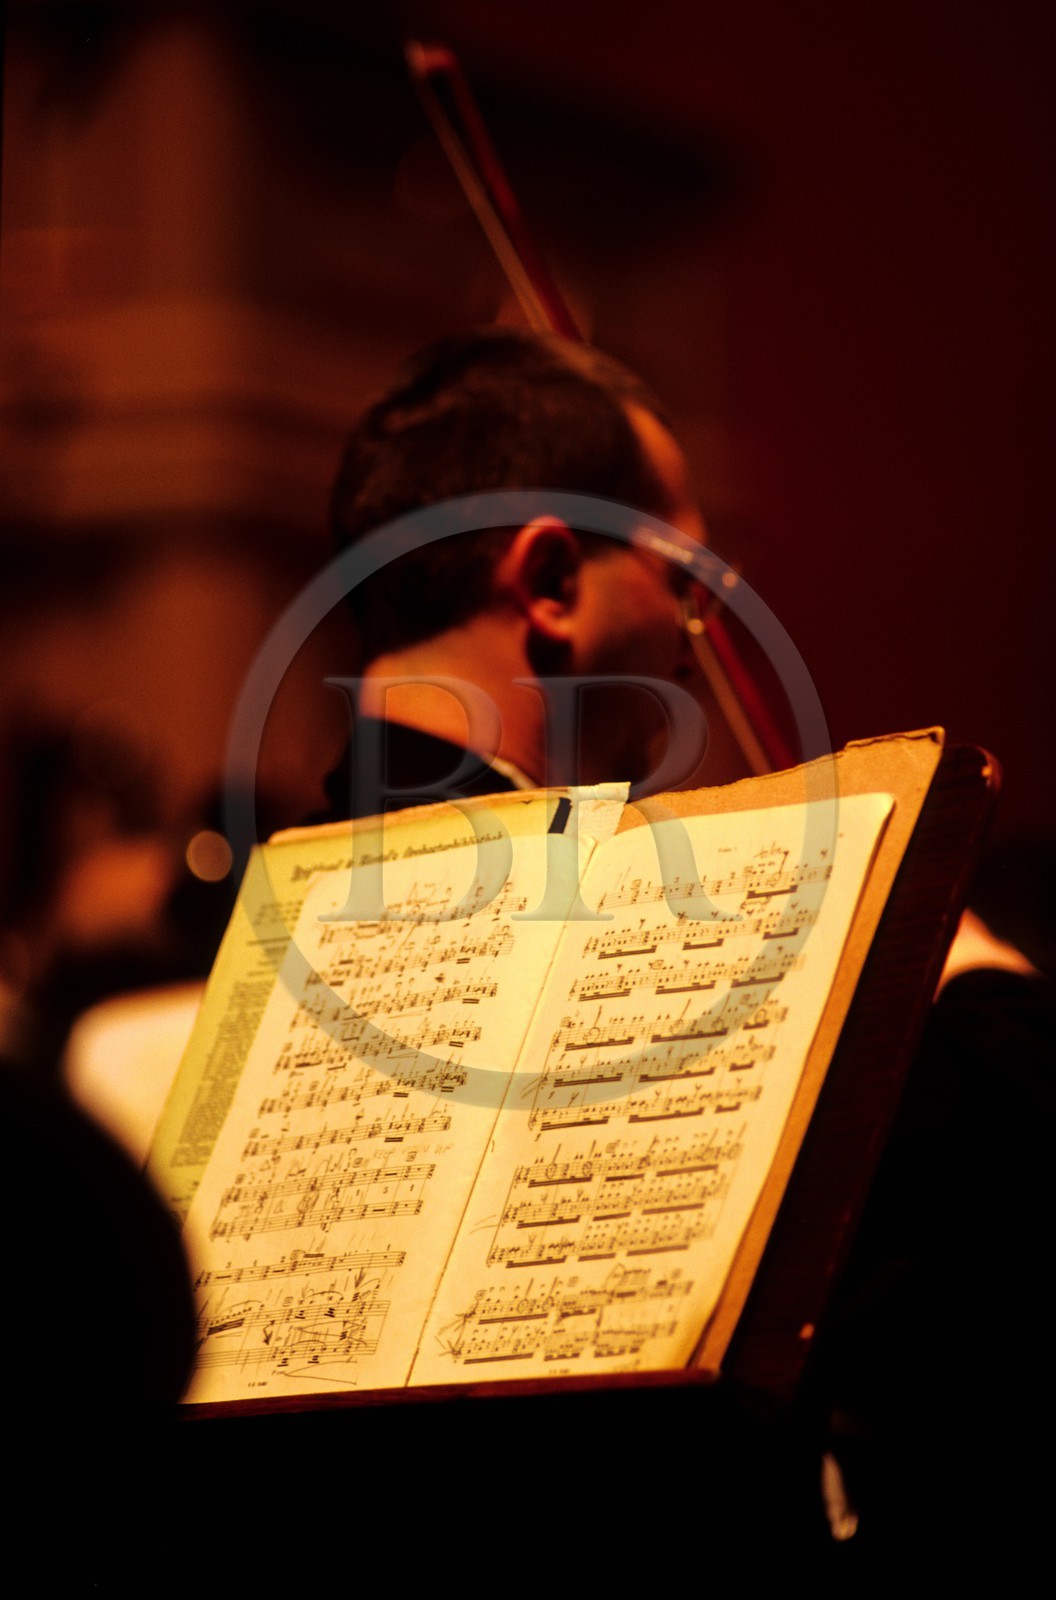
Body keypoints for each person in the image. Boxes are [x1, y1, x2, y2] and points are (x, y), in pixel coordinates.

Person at [321, 326, 1054, 1566]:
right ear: (552, 581)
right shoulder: (633, 919)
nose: (697, 641)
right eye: (688, 583)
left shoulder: (255, 913)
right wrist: (980, 997)